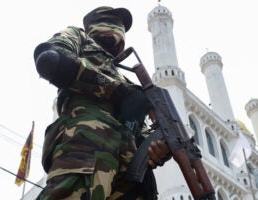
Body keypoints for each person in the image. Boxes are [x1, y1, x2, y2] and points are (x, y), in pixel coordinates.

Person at [34, 6, 170, 199]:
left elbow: (139, 131)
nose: (118, 30)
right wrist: (115, 90)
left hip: (130, 178)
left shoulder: (128, 82)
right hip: (87, 151)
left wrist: (158, 146)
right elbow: (51, 59)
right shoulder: (78, 37)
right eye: (112, 21)